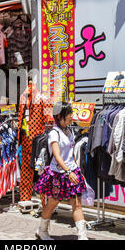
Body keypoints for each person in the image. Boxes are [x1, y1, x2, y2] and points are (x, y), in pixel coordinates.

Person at [34, 102, 89, 240]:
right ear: (60, 116)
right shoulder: (54, 133)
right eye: (69, 114)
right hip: (58, 174)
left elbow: (71, 154)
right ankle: (42, 231)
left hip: (71, 171)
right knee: (53, 202)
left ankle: (83, 236)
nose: (72, 116)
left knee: (77, 204)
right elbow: (57, 156)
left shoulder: (69, 131)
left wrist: (76, 169)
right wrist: (68, 172)